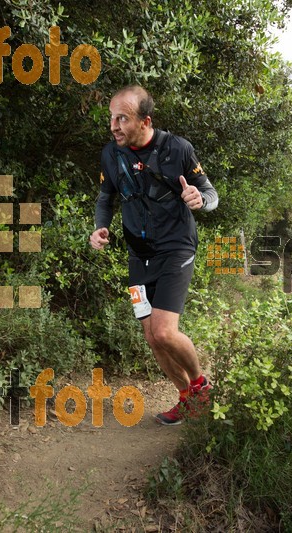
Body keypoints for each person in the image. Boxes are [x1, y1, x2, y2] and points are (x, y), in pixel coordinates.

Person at [89, 85, 218, 425]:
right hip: (137, 256)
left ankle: (201, 385)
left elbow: (210, 191)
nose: (114, 126)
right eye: (112, 118)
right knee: (151, 336)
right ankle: (187, 397)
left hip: (176, 248)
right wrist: (100, 227)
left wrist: (199, 200)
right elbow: (106, 198)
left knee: (163, 331)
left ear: (145, 121)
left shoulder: (177, 149)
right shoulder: (110, 155)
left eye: (122, 119)